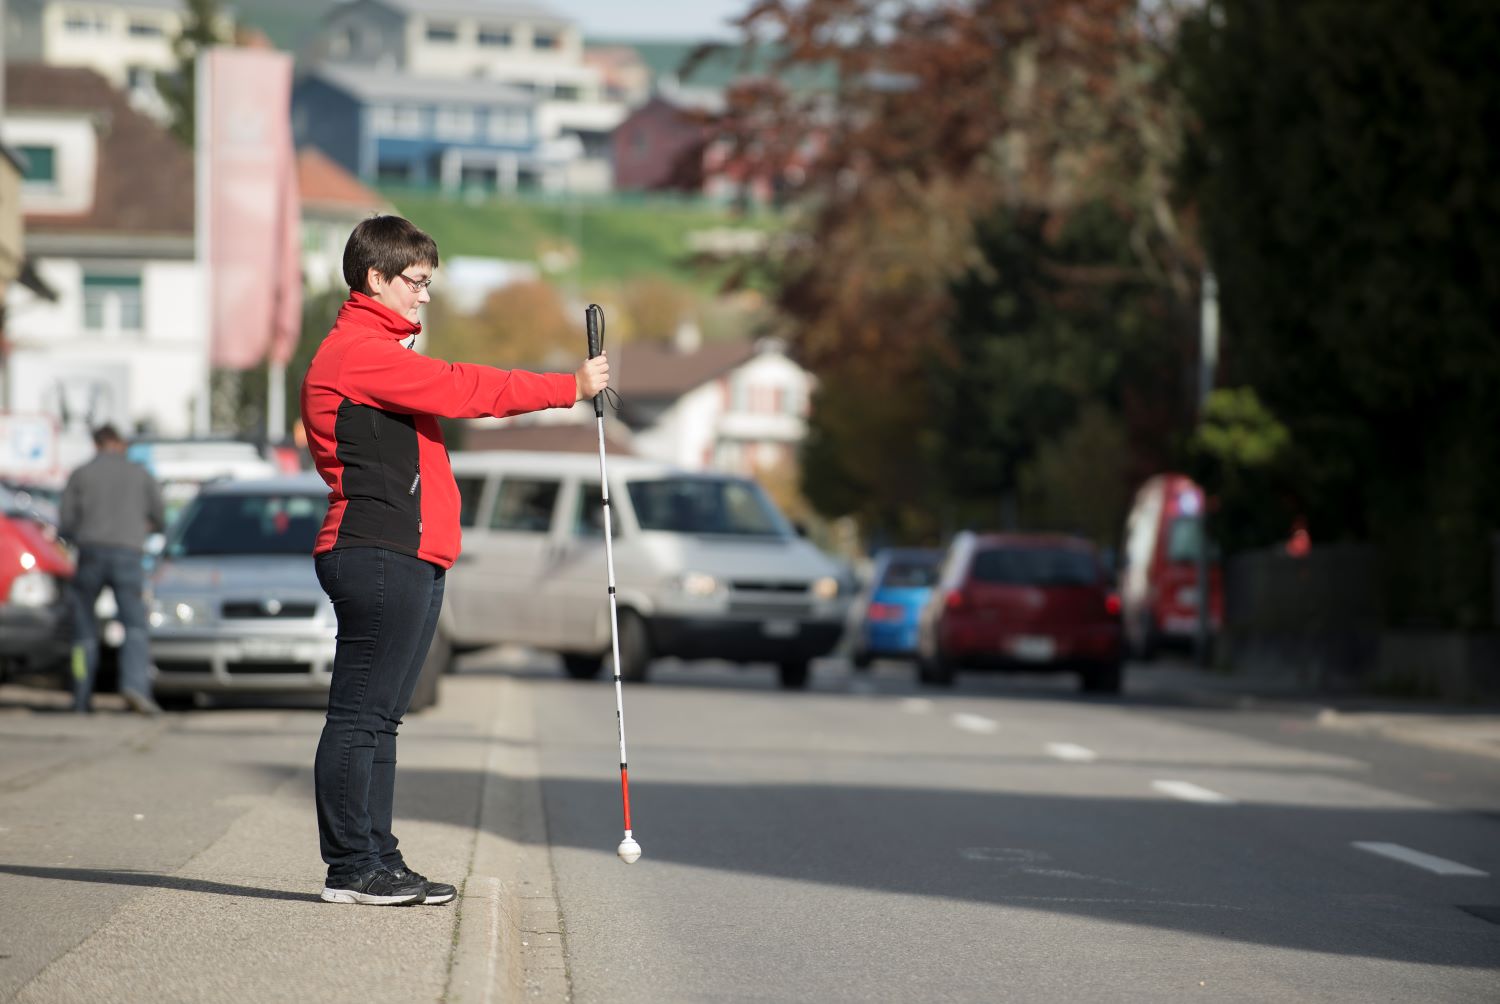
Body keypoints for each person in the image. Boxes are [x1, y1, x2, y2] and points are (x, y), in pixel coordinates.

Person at [300, 215, 609, 907]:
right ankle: (351, 866)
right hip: (377, 548)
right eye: (416, 282)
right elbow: (465, 388)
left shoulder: (378, 350)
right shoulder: (358, 351)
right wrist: (568, 386)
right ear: (375, 279)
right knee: (360, 717)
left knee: (380, 718)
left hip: (404, 552)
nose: (425, 296)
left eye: (429, 283)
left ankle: (377, 858)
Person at [60, 424, 166, 715]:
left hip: (90, 552)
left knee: (83, 630)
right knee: (134, 626)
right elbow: (160, 514)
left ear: (97, 444)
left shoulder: (81, 474)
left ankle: (81, 695)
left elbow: (66, 522)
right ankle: (135, 687)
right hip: (128, 553)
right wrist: (142, 528)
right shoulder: (139, 474)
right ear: (119, 443)